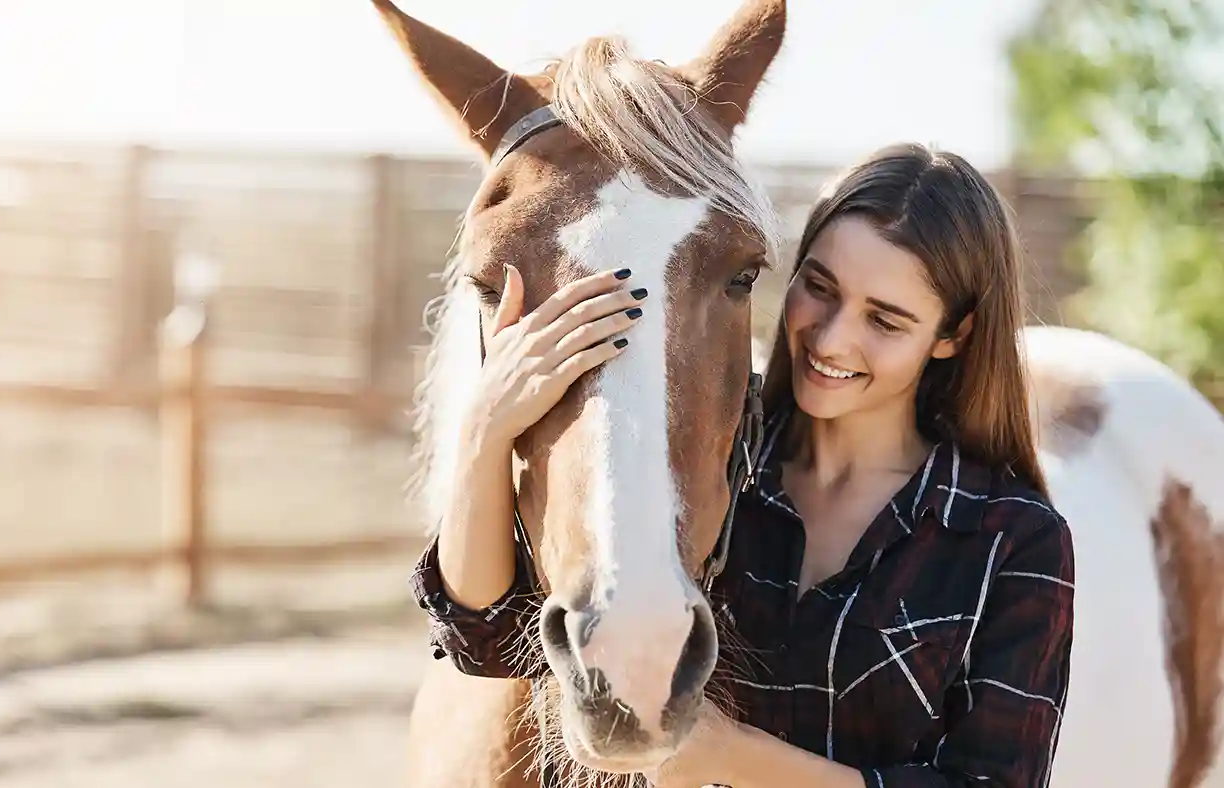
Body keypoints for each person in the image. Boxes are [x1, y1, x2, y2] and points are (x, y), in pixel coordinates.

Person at [409, 142, 1075, 788]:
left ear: (953, 335)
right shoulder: (709, 464)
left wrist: (734, 759)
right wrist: (486, 429)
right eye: (820, 288)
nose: (831, 338)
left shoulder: (1012, 540)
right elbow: (486, 640)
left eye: (885, 321)